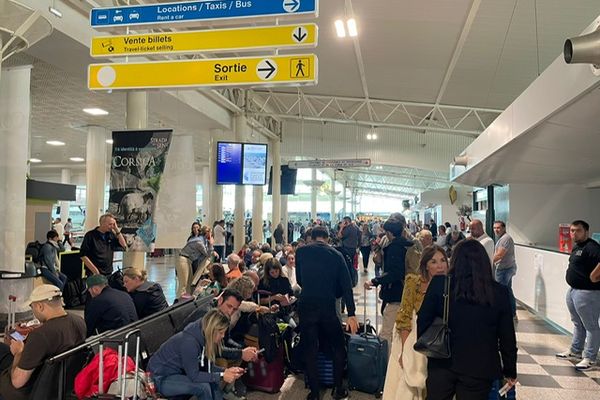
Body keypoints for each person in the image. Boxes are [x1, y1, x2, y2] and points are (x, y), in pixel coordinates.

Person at [417, 240, 517, 400]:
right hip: (480, 366)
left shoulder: (440, 284)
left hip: (443, 361)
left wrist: (430, 351)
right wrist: (510, 370)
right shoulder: (499, 293)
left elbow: (422, 320)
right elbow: (507, 337)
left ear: (455, 261)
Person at [296, 226, 358, 400]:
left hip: (306, 305)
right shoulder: (336, 255)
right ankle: (338, 388)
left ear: (312, 237)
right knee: (337, 346)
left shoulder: (301, 252)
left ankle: (314, 393)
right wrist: (351, 312)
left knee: (310, 348)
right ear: (327, 238)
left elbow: (300, 279)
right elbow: (347, 286)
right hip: (327, 306)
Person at [383, 245, 448, 400]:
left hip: (439, 342)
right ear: (426, 265)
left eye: (442, 260)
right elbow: (404, 317)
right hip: (412, 340)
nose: (439, 266)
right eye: (433, 262)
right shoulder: (414, 282)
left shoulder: (450, 284)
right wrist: (405, 352)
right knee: (407, 385)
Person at [0, 285, 86, 400]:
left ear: (40, 306)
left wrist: (18, 352)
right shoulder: (79, 321)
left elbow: (17, 382)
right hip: (58, 383)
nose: (33, 311)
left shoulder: (40, 336)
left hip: (29, 391)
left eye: (32, 307)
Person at [148, 309, 246, 400]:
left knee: (211, 381)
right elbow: (194, 376)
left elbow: (208, 368)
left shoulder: (202, 335)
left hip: (176, 373)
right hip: (159, 378)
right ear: (211, 329)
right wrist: (222, 375)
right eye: (221, 332)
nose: (223, 336)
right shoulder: (189, 343)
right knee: (203, 387)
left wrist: (227, 371)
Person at [365, 215, 415, 348]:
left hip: (396, 293)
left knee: (386, 333)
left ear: (389, 232)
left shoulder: (394, 248)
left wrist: (375, 281)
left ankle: (385, 364)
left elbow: (395, 273)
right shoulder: (408, 244)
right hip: (408, 291)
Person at [555, 220, 600, 370]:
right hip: (574, 290)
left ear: (586, 231)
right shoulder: (577, 246)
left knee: (591, 326)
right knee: (577, 323)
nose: (574, 233)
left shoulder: (592, 247)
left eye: (578, 231)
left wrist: (594, 276)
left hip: (588, 293)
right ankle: (575, 351)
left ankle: (590, 358)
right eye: (572, 231)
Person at [177, 225, 213, 297]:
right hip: (184, 260)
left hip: (188, 261)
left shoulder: (202, 240)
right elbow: (207, 254)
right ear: (207, 233)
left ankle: (186, 303)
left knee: (189, 285)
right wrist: (211, 244)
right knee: (183, 285)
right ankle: (178, 303)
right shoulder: (199, 241)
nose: (211, 235)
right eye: (211, 233)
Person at [492, 220, 517, 319]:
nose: (496, 230)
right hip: (506, 268)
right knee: (507, 291)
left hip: (504, 269)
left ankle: (504, 314)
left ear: (504, 228)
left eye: (498, 228)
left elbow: (499, 255)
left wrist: (487, 261)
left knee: (501, 292)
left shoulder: (505, 239)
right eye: (494, 228)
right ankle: (512, 313)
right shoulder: (502, 238)